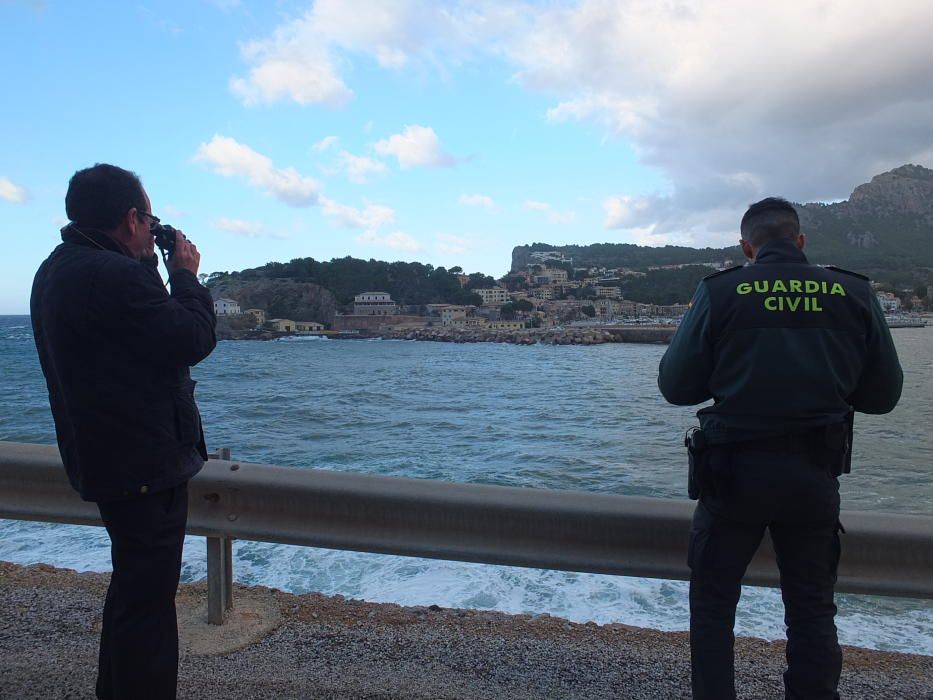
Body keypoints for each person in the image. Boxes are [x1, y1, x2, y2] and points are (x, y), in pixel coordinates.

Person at [657, 197, 902, 700]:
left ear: (747, 247)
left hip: (733, 475)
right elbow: (883, 397)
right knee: (811, 607)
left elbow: (676, 387)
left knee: (713, 605)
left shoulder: (721, 291)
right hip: (814, 473)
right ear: (801, 241)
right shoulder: (853, 291)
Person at [30, 163, 216, 700]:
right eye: (149, 219)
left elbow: (136, 337)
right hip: (145, 467)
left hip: (101, 459)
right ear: (133, 219)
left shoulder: (56, 270)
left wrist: (153, 269)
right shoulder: (118, 277)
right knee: (148, 611)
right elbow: (191, 337)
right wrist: (183, 274)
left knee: (133, 596)